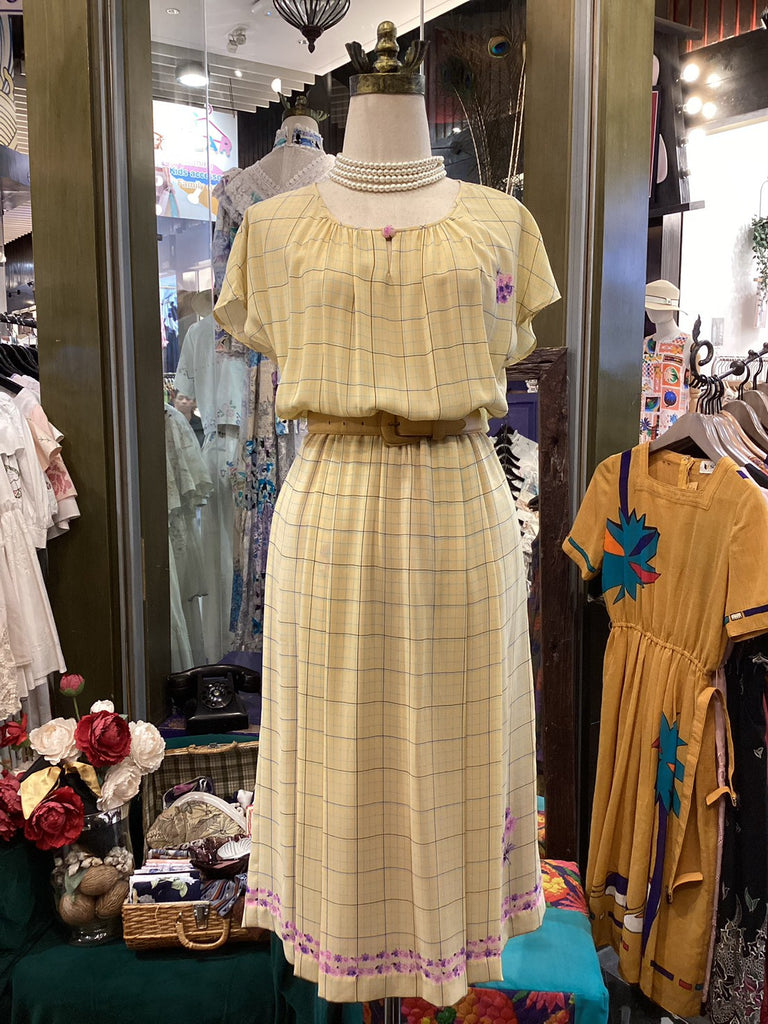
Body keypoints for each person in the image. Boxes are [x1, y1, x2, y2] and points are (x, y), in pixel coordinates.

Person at [215, 21, 559, 1006]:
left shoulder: (502, 223)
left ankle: (450, 944)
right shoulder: (275, 230)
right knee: (338, 750)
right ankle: (348, 950)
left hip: (460, 500)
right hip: (331, 501)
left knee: (460, 751)